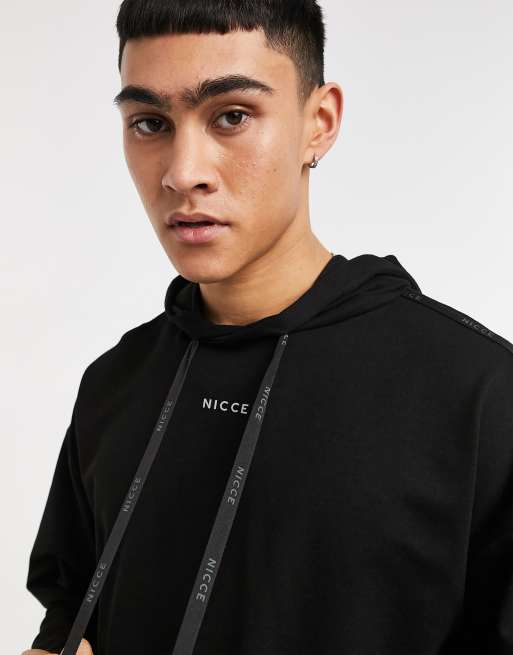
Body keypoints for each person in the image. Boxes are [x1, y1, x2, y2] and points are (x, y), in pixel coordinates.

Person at [23, 1, 513, 654]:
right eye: (150, 123)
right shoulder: (115, 382)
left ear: (319, 123)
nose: (182, 173)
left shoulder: (480, 395)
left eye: (231, 116)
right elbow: (71, 612)